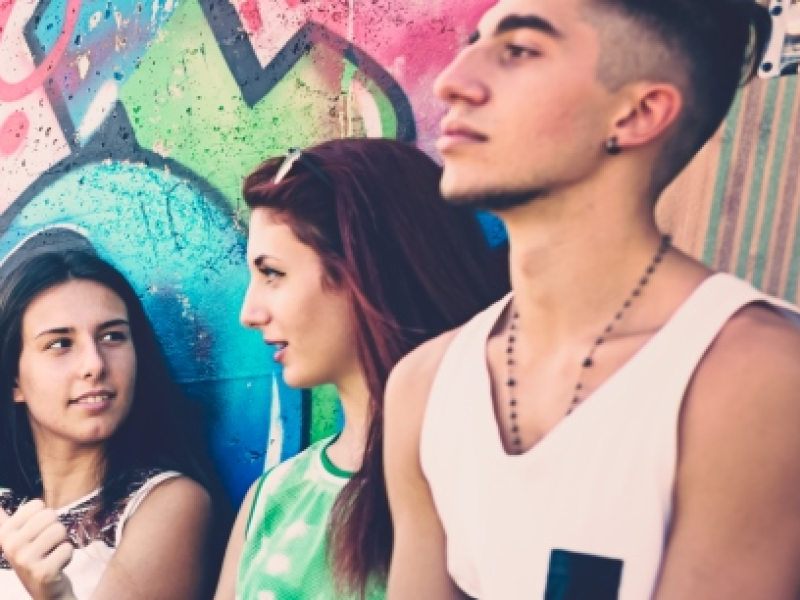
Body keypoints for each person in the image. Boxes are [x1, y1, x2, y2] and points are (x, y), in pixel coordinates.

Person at [384, 1, 800, 599]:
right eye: (473, 43)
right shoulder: (424, 386)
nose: (451, 81)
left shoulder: (748, 381)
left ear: (638, 113)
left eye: (520, 50)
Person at [214, 138, 509, 600]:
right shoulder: (271, 500)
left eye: (272, 273)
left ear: (363, 270)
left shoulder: (486, 480)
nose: (249, 313)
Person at [0, 250, 221, 600]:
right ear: (13, 381)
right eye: (60, 344)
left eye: (112, 336)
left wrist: (53, 596)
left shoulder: (168, 504)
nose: (94, 364)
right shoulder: (8, 508)